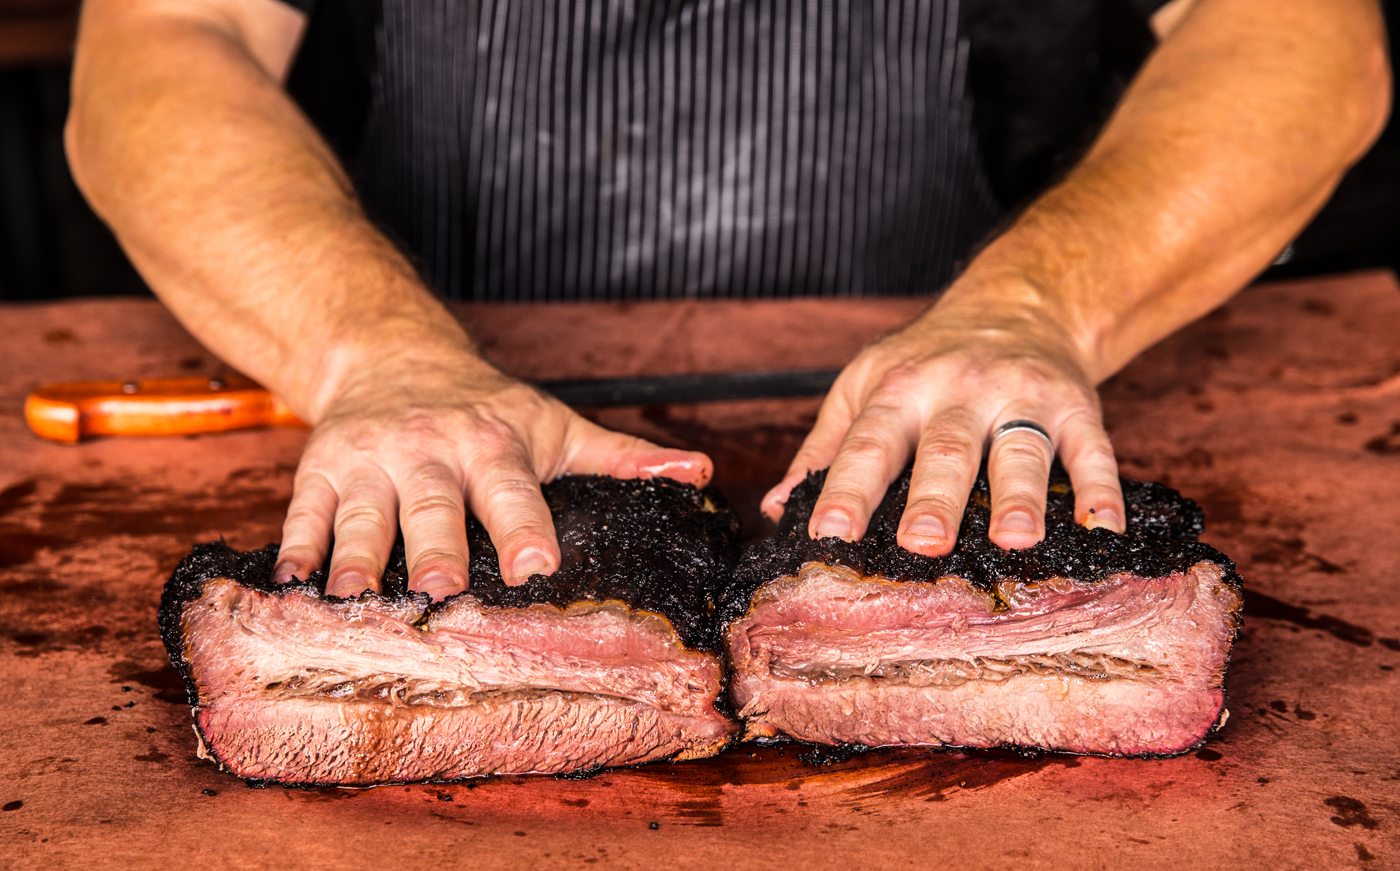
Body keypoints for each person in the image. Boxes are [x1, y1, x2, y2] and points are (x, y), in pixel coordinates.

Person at [66, 0, 1390, 600]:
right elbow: (161, 44)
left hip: (959, 415)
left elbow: (1301, 34)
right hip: (430, 415)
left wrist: (1041, 303)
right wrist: (368, 352)